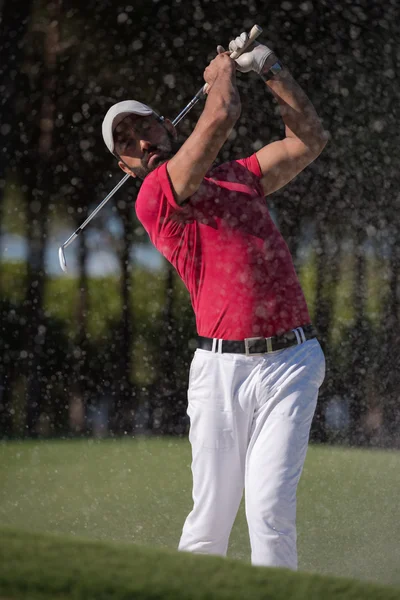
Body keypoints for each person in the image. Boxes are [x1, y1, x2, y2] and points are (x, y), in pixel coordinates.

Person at [102, 32, 327, 570]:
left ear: (168, 123)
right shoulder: (155, 195)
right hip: (220, 371)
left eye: (147, 126)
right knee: (210, 522)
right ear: (125, 167)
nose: (143, 143)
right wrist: (221, 71)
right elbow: (221, 113)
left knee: (271, 512)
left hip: (292, 363)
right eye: (127, 143)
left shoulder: (239, 178)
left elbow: (309, 139)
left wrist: (271, 67)